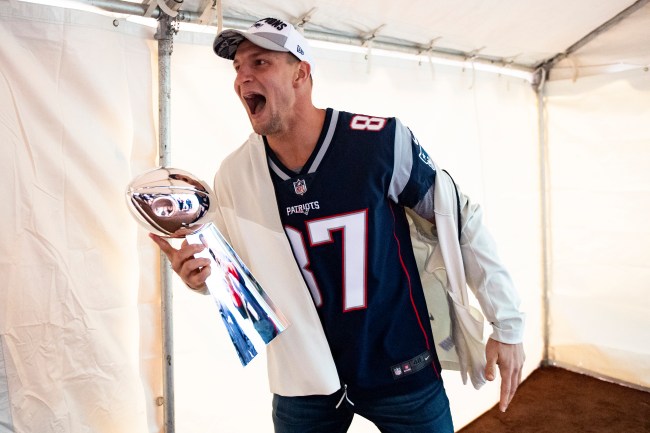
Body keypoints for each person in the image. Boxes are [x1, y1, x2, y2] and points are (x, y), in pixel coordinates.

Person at [150, 17, 525, 433]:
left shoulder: (380, 141)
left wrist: (507, 324)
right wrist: (200, 277)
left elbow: (457, 218)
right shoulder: (235, 174)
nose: (242, 78)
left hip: (398, 361)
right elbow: (235, 273)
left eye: (260, 62)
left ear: (301, 73)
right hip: (304, 377)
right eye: (238, 67)